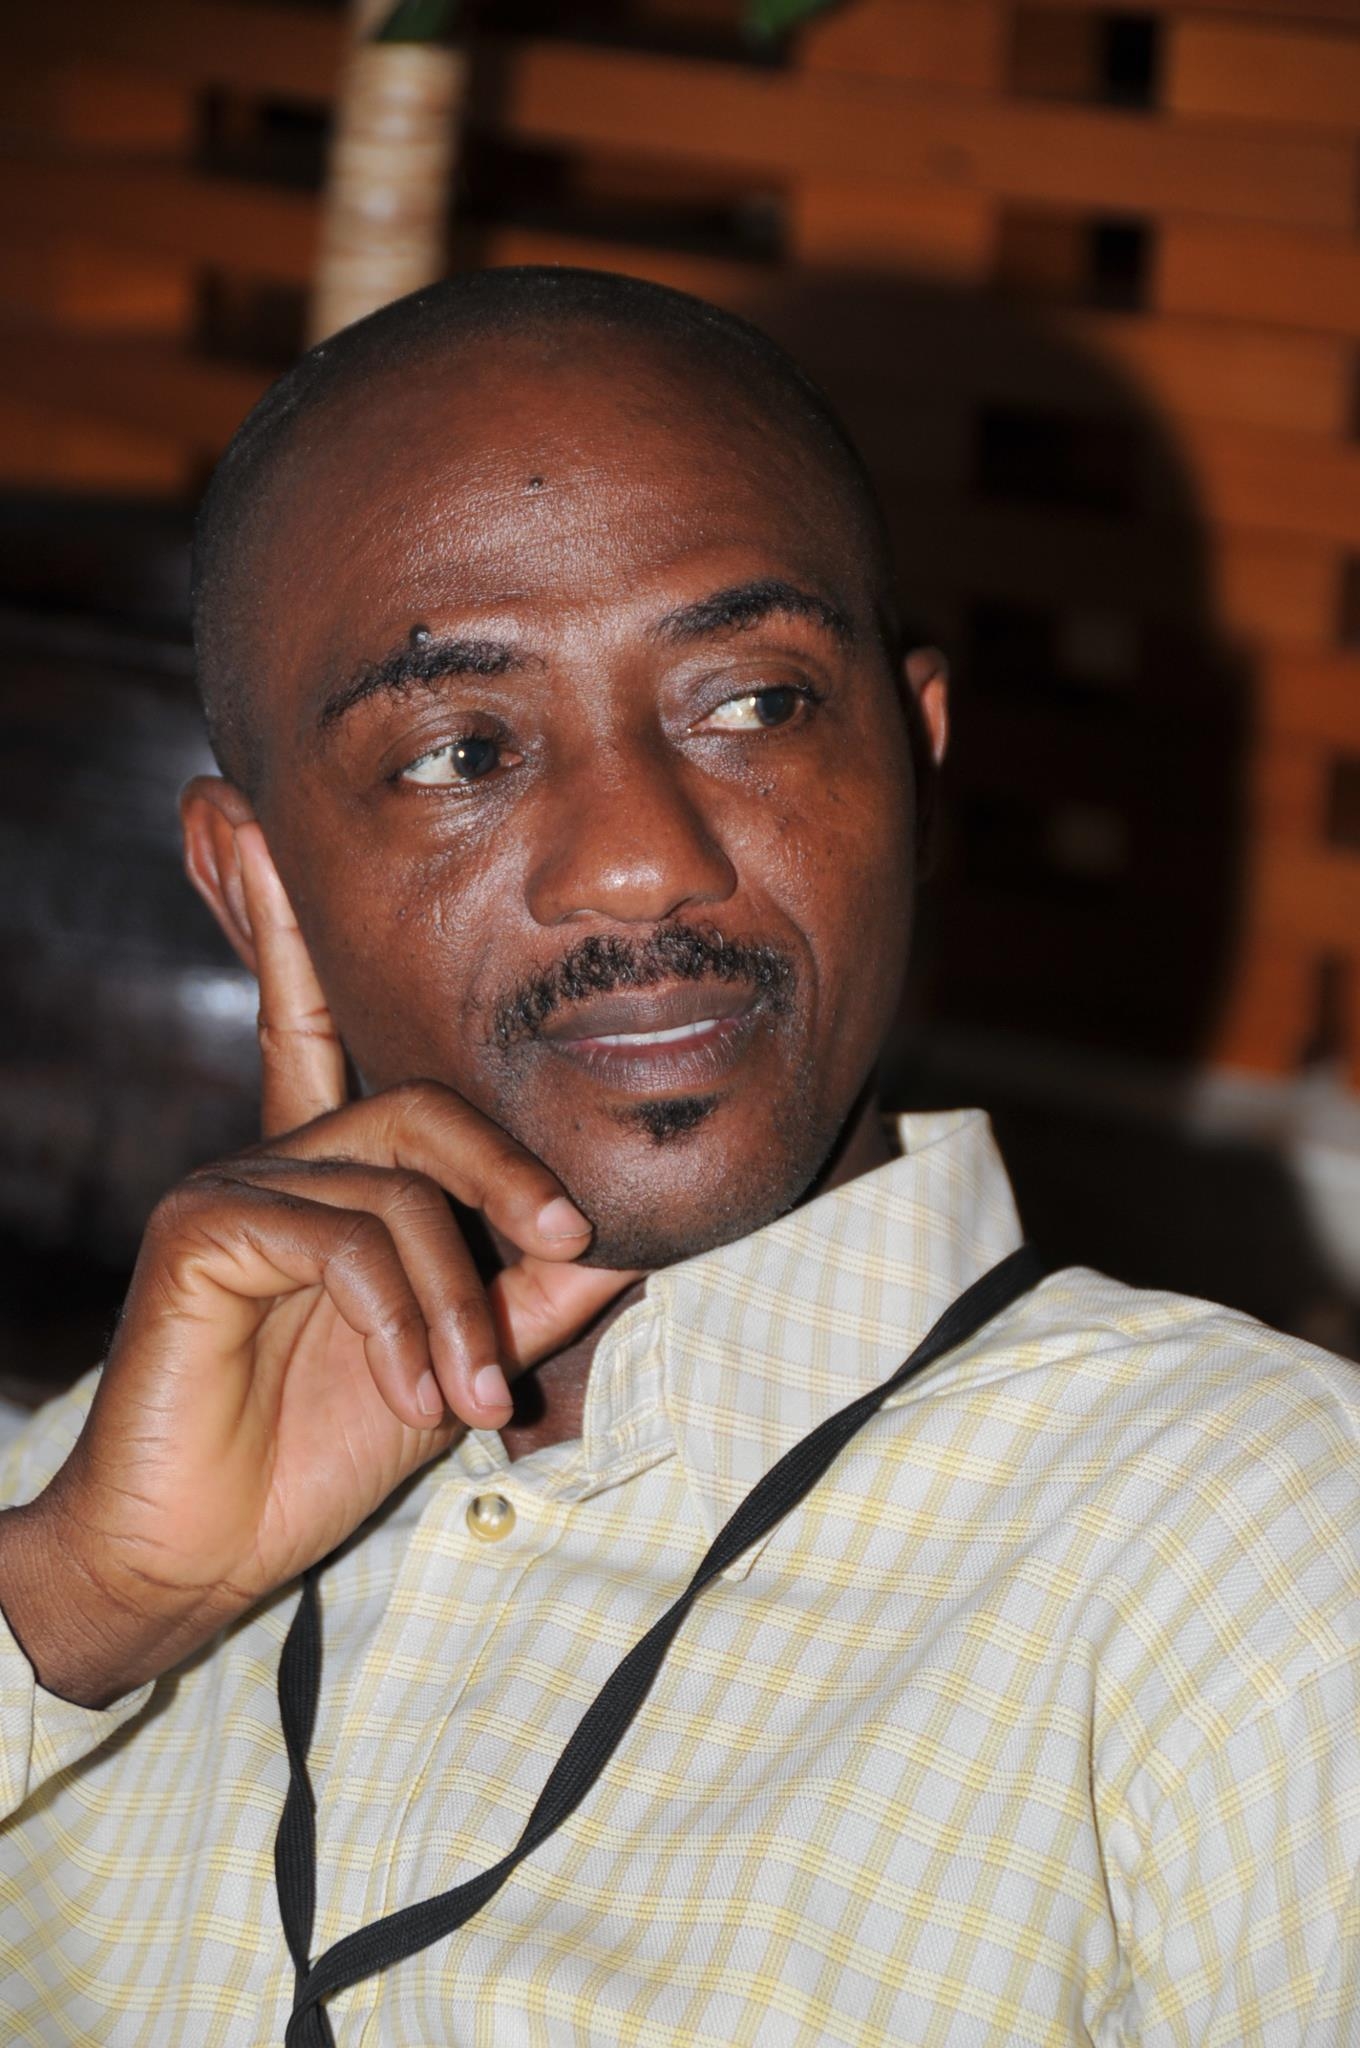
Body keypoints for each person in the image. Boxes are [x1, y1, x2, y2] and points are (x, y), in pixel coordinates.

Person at [0, 268, 1356, 2047]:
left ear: (915, 764)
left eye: (753, 705)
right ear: (259, 888)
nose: (642, 859)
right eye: (463, 750)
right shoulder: (82, 1506)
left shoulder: (1253, 1543)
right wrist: (80, 1602)